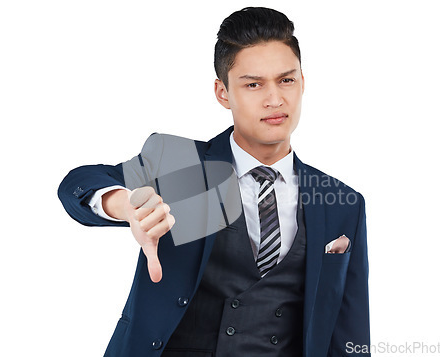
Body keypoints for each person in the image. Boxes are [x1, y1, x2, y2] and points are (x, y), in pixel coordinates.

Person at [58, 7, 370, 357]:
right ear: (223, 93)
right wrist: (123, 205)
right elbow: (79, 183)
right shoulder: (184, 167)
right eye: (253, 84)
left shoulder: (342, 202)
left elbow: (350, 333)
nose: (275, 99)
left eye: (287, 80)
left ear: (303, 81)